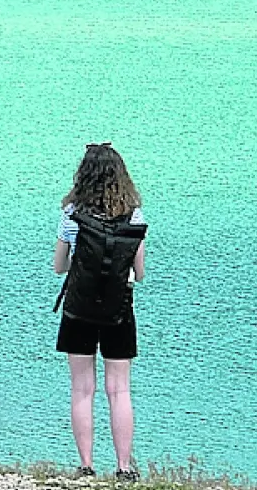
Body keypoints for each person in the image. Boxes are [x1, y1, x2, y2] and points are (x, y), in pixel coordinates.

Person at [52, 142, 148, 480]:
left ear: (83, 175)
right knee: (119, 389)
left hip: (78, 309)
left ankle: (86, 465)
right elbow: (140, 272)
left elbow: (59, 267)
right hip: (118, 309)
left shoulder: (72, 214)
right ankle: (123, 468)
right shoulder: (134, 215)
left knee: (82, 389)